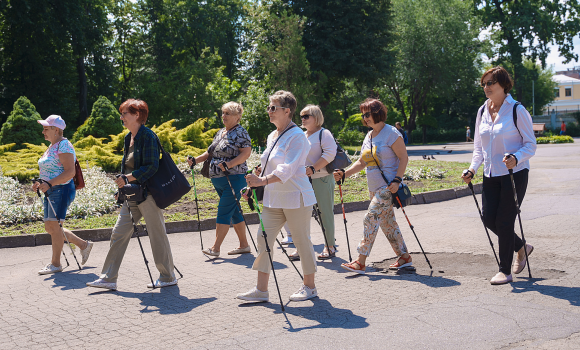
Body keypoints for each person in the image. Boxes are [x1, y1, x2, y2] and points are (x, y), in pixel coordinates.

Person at [237, 90, 318, 302]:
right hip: (273, 198)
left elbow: (287, 169)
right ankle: (261, 290)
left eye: (273, 108)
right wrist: (253, 185)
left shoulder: (298, 136)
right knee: (263, 239)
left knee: (301, 242)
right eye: (269, 107)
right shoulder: (272, 135)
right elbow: (266, 167)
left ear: (287, 111)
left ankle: (309, 286)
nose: (269, 111)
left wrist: (262, 182)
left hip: (296, 197)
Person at [87, 99, 176, 290]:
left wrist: (129, 177)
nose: (121, 117)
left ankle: (168, 277)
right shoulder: (129, 137)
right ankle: (109, 278)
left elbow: (152, 166)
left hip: (149, 195)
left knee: (157, 236)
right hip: (132, 195)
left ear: (137, 115)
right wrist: (122, 187)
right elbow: (127, 166)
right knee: (118, 233)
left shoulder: (148, 136)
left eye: (124, 114)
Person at [462, 66, 536, 285]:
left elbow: (530, 145)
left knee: (504, 221)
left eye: (490, 83)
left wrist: (516, 157)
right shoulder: (482, 111)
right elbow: (478, 147)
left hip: (515, 173)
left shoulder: (516, 110)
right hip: (490, 175)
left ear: (503, 85)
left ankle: (505, 271)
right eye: (484, 84)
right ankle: (521, 246)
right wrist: (472, 168)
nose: (486, 87)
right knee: (488, 218)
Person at [334, 99, 411, 274]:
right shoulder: (369, 136)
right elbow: (362, 162)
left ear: (377, 113)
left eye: (367, 114)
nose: (364, 118)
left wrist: (397, 180)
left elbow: (403, 157)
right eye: (363, 115)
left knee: (370, 218)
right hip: (373, 188)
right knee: (387, 223)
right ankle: (404, 256)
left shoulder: (391, 133)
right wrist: (344, 174)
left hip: (388, 187)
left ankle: (360, 261)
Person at [187, 102, 252, 257]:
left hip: (234, 178)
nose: (224, 116)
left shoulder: (241, 133)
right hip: (219, 179)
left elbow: (246, 153)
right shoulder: (221, 132)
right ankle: (244, 245)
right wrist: (195, 160)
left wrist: (229, 164)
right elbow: (210, 153)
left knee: (223, 211)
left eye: (227, 113)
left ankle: (215, 248)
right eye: (223, 113)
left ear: (237, 117)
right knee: (234, 211)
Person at [35, 115, 93, 275]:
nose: (43, 132)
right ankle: (84, 245)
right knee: (50, 227)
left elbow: (70, 172)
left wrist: (50, 183)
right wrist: (40, 182)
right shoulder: (52, 146)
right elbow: (51, 169)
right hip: (51, 190)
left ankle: (55, 264)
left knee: (54, 226)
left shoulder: (64, 145)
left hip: (61, 190)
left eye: (46, 128)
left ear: (57, 130)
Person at [287, 104, 337, 260]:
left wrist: (314, 168)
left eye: (306, 116)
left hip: (321, 179)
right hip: (303, 181)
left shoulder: (324, 133)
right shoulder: (302, 135)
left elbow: (330, 153)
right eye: (301, 116)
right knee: (300, 215)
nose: (302, 119)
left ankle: (330, 246)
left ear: (316, 117)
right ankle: (301, 247)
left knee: (324, 213)